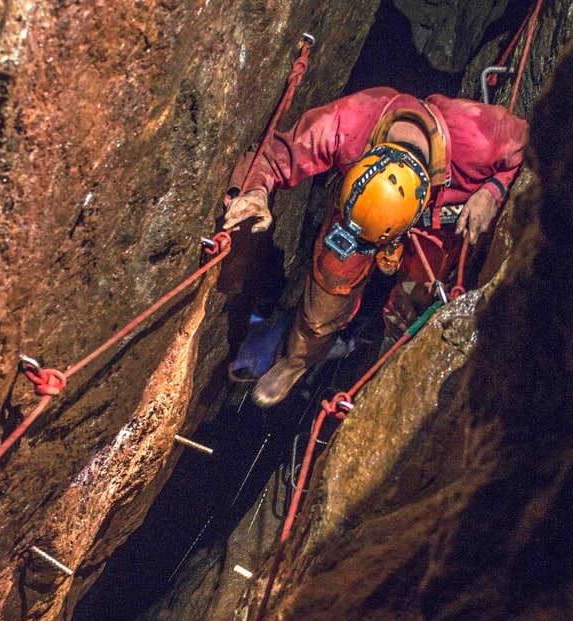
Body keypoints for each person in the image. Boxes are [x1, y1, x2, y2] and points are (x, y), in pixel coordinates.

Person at [222, 86, 528, 408]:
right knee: (330, 284)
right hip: (359, 222)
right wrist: (255, 192)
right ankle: (298, 358)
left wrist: (492, 191)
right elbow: (276, 154)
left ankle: (389, 353)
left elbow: (540, 143)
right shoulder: (349, 124)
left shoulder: (482, 135)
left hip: (440, 223)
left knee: (417, 301)